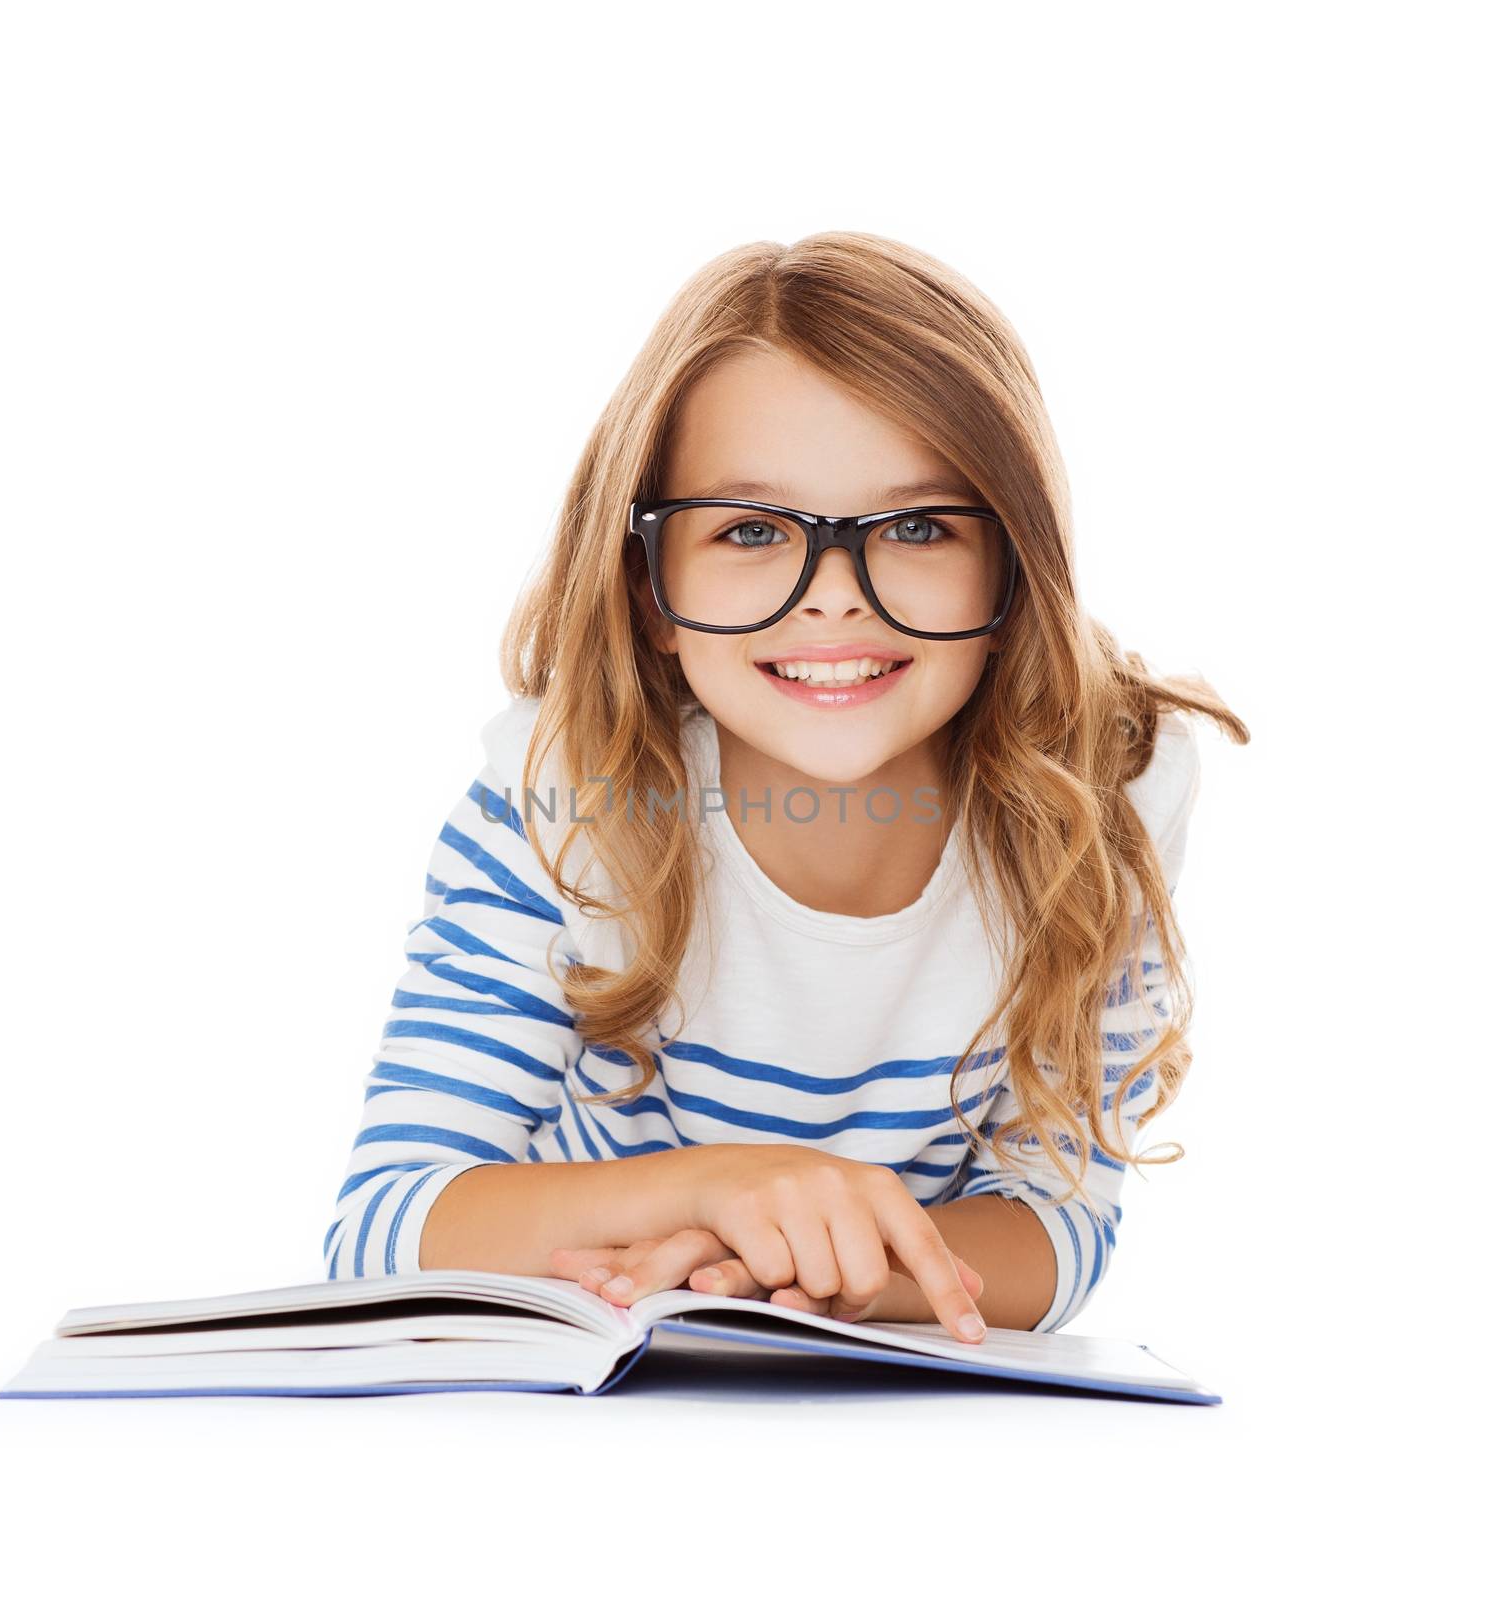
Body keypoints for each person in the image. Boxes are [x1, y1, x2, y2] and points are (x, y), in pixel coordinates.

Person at [324, 231, 1249, 1340]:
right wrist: (720, 1186)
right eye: (752, 530)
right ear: (651, 590)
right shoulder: (562, 796)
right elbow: (383, 1225)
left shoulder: (1106, 794)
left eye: (915, 526)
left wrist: (821, 1272)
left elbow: (1058, 1223)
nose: (833, 599)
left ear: (1013, 569)